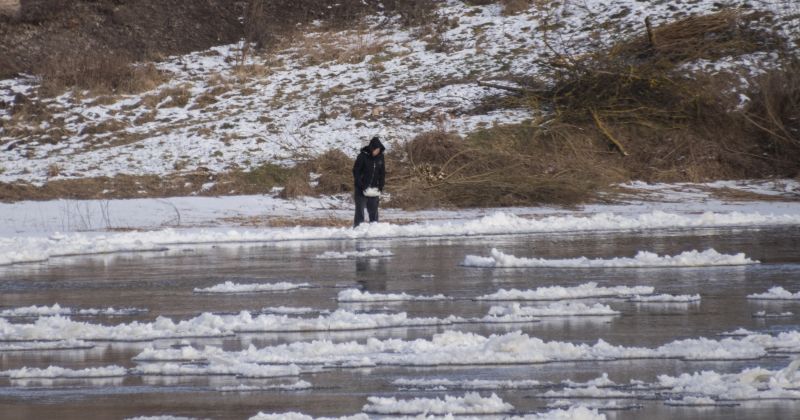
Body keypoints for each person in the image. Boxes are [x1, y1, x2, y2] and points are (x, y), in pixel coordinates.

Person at [352, 136, 385, 227]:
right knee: (360, 211)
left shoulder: (380, 157)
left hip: (374, 189)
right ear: (371, 148)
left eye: (378, 150)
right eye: (375, 150)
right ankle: (358, 228)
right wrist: (360, 184)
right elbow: (356, 171)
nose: (377, 152)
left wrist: (381, 185)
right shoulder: (362, 156)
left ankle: (374, 228)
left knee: (373, 211)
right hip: (361, 189)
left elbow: (382, 172)